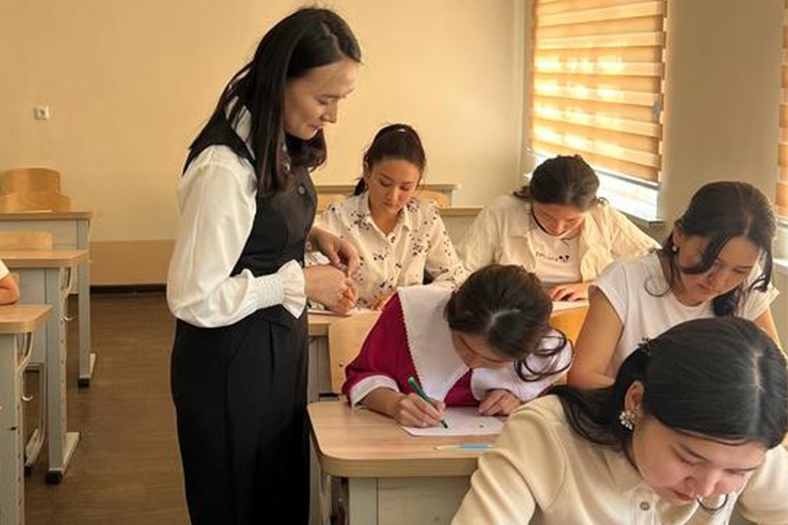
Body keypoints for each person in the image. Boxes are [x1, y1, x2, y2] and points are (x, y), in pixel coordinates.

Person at [166, 8, 361, 524]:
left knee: (277, 496)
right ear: (281, 81)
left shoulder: (273, 136)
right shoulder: (223, 166)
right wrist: (301, 281)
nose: (333, 116)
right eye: (325, 99)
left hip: (274, 350)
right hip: (231, 365)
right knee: (241, 503)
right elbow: (193, 298)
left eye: (341, 100)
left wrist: (311, 234)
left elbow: (257, 222)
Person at [452, 317, 788, 524]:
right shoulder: (547, 433)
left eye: (736, 473)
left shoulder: (748, 442)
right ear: (637, 401)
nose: (705, 488)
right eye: (688, 458)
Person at [568, 181, 781, 389]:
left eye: (739, 271)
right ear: (679, 235)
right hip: (634, 410)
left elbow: (776, 372)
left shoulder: (748, 284)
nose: (719, 281)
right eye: (710, 261)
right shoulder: (625, 279)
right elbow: (583, 376)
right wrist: (663, 404)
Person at [343, 265, 571, 427]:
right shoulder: (409, 312)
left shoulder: (543, 354)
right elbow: (364, 375)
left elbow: (544, 404)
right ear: (450, 315)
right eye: (463, 344)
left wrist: (518, 400)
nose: (473, 363)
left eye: (494, 360)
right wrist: (394, 403)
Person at [457, 155, 658, 301]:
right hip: (514, 317)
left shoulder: (602, 216)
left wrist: (595, 287)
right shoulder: (503, 211)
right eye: (546, 216)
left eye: (572, 221)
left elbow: (657, 263)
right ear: (532, 197)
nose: (557, 228)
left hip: (582, 318)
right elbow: (462, 270)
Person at [314, 124, 467, 310]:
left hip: (406, 323)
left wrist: (408, 298)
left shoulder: (425, 218)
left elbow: (455, 277)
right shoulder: (338, 217)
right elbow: (310, 278)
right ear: (367, 172)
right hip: (350, 323)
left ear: (418, 183)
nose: (393, 196)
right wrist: (334, 297)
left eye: (405, 188)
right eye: (385, 183)